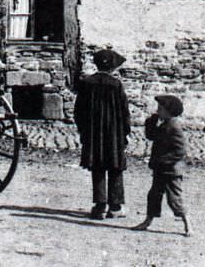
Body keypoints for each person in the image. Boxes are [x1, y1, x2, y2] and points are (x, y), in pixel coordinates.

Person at [73, 47, 131, 220]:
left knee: (97, 166)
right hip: (113, 134)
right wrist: (125, 132)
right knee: (115, 166)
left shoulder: (86, 83)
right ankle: (115, 206)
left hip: (93, 133)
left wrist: (83, 130)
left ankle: (100, 206)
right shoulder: (116, 85)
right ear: (112, 67)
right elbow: (124, 112)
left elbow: (79, 111)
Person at [134, 94, 191, 237]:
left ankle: (188, 223)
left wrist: (165, 160)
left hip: (171, 170)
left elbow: (180, 150)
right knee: (154, 195)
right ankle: (147, 221)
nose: (157, 110)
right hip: (161, 169)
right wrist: (151, 122)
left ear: (169, 111)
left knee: (174, 199)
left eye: (160, 108)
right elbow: (151, 136)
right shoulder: (165, 124)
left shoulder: (174, 126)